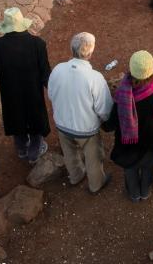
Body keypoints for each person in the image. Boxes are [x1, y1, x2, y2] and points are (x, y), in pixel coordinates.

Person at [0, 8, 51, 164]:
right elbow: (46, 73)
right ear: (23, 25)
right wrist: (54, 92)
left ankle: (21, 149)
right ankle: (34, 152)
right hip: (33, 93)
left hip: (10, 94)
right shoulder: (38, 44)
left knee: (16, 119)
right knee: (35, 121)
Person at [47, 32, 113, 194]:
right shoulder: (95, 77)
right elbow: (104, 109)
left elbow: (50, 94)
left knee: (69, 153)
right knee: (93, 158)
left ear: (72, 49)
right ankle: (96, 184)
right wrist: (105, 121)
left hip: (62, 124)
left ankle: (75, 176)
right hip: (86, 129)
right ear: (90, 53)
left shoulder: (57, 69)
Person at [105, 50, 153, 202]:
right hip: (151, 142)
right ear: (152, 69)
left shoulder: (122, 94)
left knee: (130, 168)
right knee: (148, 166)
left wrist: (105, 125)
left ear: (131, 69)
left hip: (128, 145)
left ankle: (134, 194)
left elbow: (112, 122)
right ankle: (145, 191)